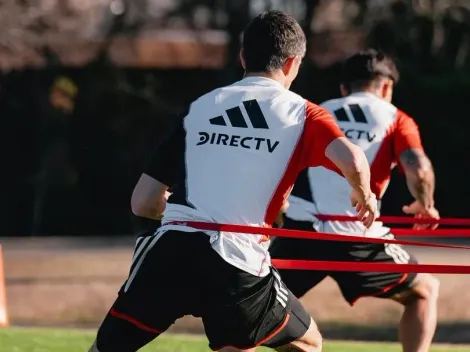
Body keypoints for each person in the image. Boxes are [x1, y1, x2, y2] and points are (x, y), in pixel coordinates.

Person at [88, 11, 378, 352]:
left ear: (243, 57)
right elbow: (354, 159)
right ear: (291, 63)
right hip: (235, 262)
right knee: (307, 342)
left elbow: (144, 202)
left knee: (105, 350)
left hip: (168, 252)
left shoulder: (200, 108)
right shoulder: (304, 114)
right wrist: (364, 195)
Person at [270, 49, 440, 352]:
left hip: (300, 231)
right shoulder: (396, 118)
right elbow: (420, 169)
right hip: (357, 235)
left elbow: (279, 165)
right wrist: (424, 204)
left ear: (344, 88)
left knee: (261, 307)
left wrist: (279, 208)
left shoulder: (313, 111)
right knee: (424, 291)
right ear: (387, 87)